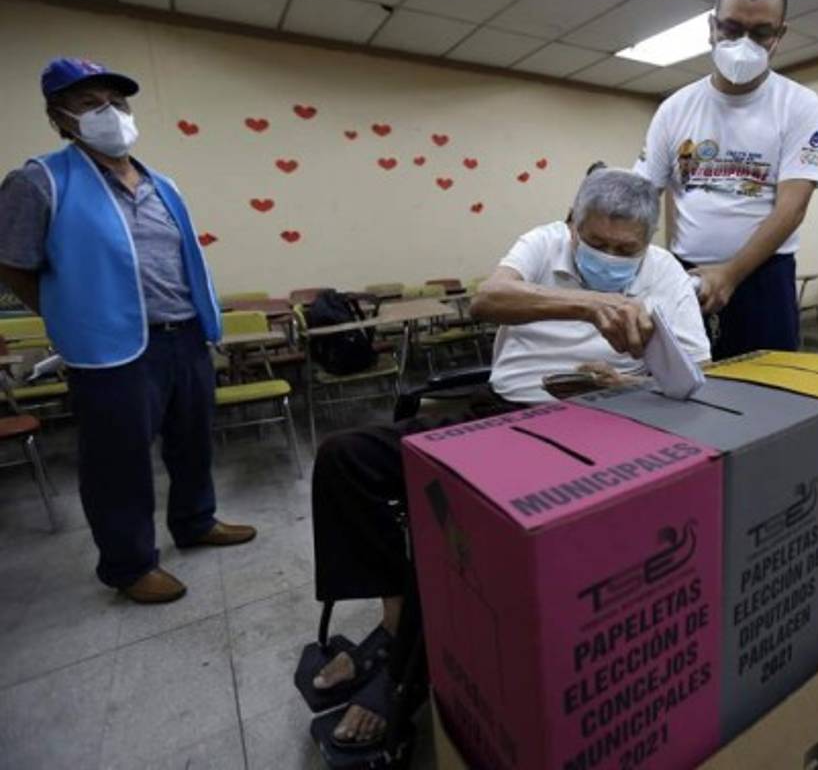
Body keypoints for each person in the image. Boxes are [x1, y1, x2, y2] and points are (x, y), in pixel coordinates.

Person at [307, 168, 709, 747]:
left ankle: (400, 680)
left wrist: (623, 381)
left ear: (647, 242)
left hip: (597, 425)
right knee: (345, 459)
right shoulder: (543, 244)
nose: (611, 257)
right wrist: (590, 303)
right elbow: (487, 299)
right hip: (502, 412)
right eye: (597, 242)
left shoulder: (664, 271)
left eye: (627, 250)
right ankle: (393, 623)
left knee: (460, 517)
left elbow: (696, 367)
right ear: (573, 226)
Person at [0, 58, 256, 604]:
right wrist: (65, 314)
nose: (109, 113)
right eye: (90, 104)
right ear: (59, 117)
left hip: (184, 335)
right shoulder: (40, 181)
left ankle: (195, 520)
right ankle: (130, 564)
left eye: (117, 102)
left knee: (192, 442)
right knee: (117, 462)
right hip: (111, 350)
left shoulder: (162, 185)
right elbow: (13, 263)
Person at [635, 0, 818, 360]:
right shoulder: (674, 108)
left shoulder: (798, 104)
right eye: (732, 29)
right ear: (712, 26)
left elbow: (793, 208)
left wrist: (731, 273)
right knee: (682, 381)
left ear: (780, 35)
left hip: (763, 278)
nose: (744, 44)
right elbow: (642, 195)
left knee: (768, 386)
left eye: (760, 33)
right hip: (685, 274)